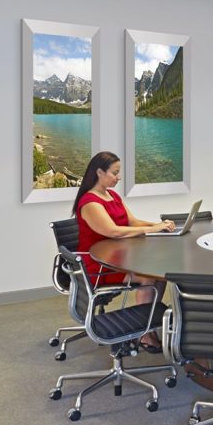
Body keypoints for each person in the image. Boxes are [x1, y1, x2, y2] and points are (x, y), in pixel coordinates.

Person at [72, 150, 176, 352]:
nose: (119, 177)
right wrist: (151, 229)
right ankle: (144, 333)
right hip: (99, 265)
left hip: (117, 256)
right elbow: (113, 231)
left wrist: (159, 225)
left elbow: (132, 222)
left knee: (159, 276)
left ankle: (149, 322)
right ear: (99, 172)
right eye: (115, 172)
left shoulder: (111, 195)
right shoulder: (90, 203)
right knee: (147, 277)